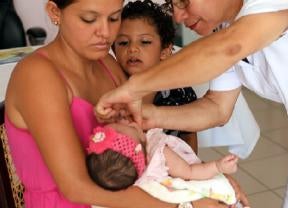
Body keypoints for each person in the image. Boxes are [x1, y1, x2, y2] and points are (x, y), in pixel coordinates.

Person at [95, 0, 288, 207]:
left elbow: (230, 47)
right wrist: (148, 116)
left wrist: (134, 87)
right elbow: (217, 107)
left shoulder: (246, 24)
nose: (179, 15)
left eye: (184, 1)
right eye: (173, 4)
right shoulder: (225, 29)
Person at [3, 0, 246, 207]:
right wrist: (186, 203)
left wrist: (208, 182)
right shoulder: (37, 75)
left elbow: (152, 146)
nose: (105, 33)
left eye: (113, 18)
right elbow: (76, 188)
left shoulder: (107, 65)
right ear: (55, 12)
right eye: (89, 19)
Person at [113, 0, 198, 152]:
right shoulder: (111, 87)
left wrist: (192, 165)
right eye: (123, 42)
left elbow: (189, 134)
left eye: (144, 42)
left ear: (165, 51)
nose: (132, 49)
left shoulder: (180, 93)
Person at [86, 122, 241, 205]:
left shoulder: (126, 174)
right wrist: (218, 166)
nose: (121, 120)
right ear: (138, 142)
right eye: (123, 126)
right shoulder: (158, 152)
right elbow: (190, 172)